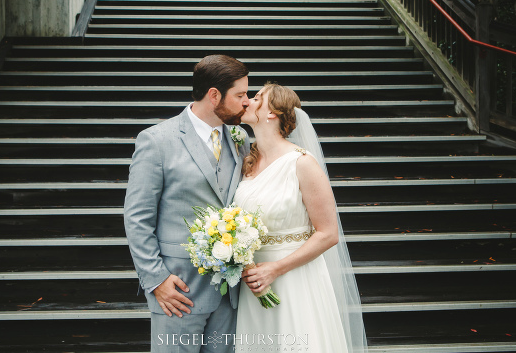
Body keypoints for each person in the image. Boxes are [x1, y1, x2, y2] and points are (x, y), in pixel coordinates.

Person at [124, 55, 251, 353]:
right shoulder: (157, 141)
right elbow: (137, 217)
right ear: (214, 95)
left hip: (230, 293)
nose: (247, 102)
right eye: (241, 95)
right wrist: (156, 280)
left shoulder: (240, 138)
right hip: (178, 291)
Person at [235, 82, 368, 352]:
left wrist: (276, 268)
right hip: (253, 281)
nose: (247, 101)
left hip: (293, 280)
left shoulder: (302, 162)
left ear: (272, 113)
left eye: (257, 97)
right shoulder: (246, 161)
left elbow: (328, 234)